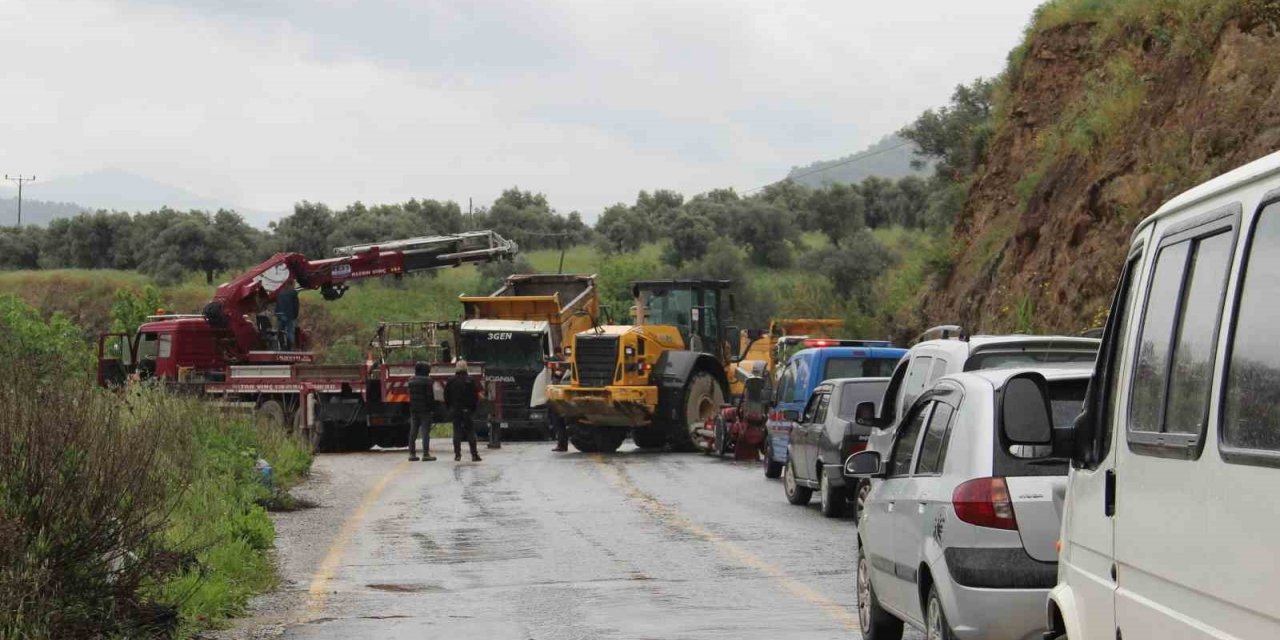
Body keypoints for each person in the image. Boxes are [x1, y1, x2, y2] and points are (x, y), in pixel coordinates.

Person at [445, 360, 482, 462]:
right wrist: (473, 409)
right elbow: (475, 397)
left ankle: (457, 455)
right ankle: (474, 455)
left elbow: (446, 396)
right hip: (467, 410)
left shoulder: (451, 380)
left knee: (457, 432)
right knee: (470, 431)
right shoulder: (470, 380)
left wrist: (450, 408)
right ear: (466, 368)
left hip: (455, 410)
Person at [406, 362, 437, 461]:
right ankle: (426, 454)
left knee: (413, 431)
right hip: (425, 410)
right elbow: (430, 397)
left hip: (414, 409)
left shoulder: (411, 381)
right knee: (425, 432)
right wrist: (432, 409)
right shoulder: (427, 381)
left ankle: (412, 454)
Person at [276, 286, 300, 350]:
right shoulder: (293, 293)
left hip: (280, 315)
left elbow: (278, 304)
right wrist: (295, 315)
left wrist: (277, 313)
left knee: (280, 331)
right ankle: (290, 347)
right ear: (292, 284)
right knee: (290, 331)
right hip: (290, 316)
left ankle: (282, 346)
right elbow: (296, 305)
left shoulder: (280, 292)